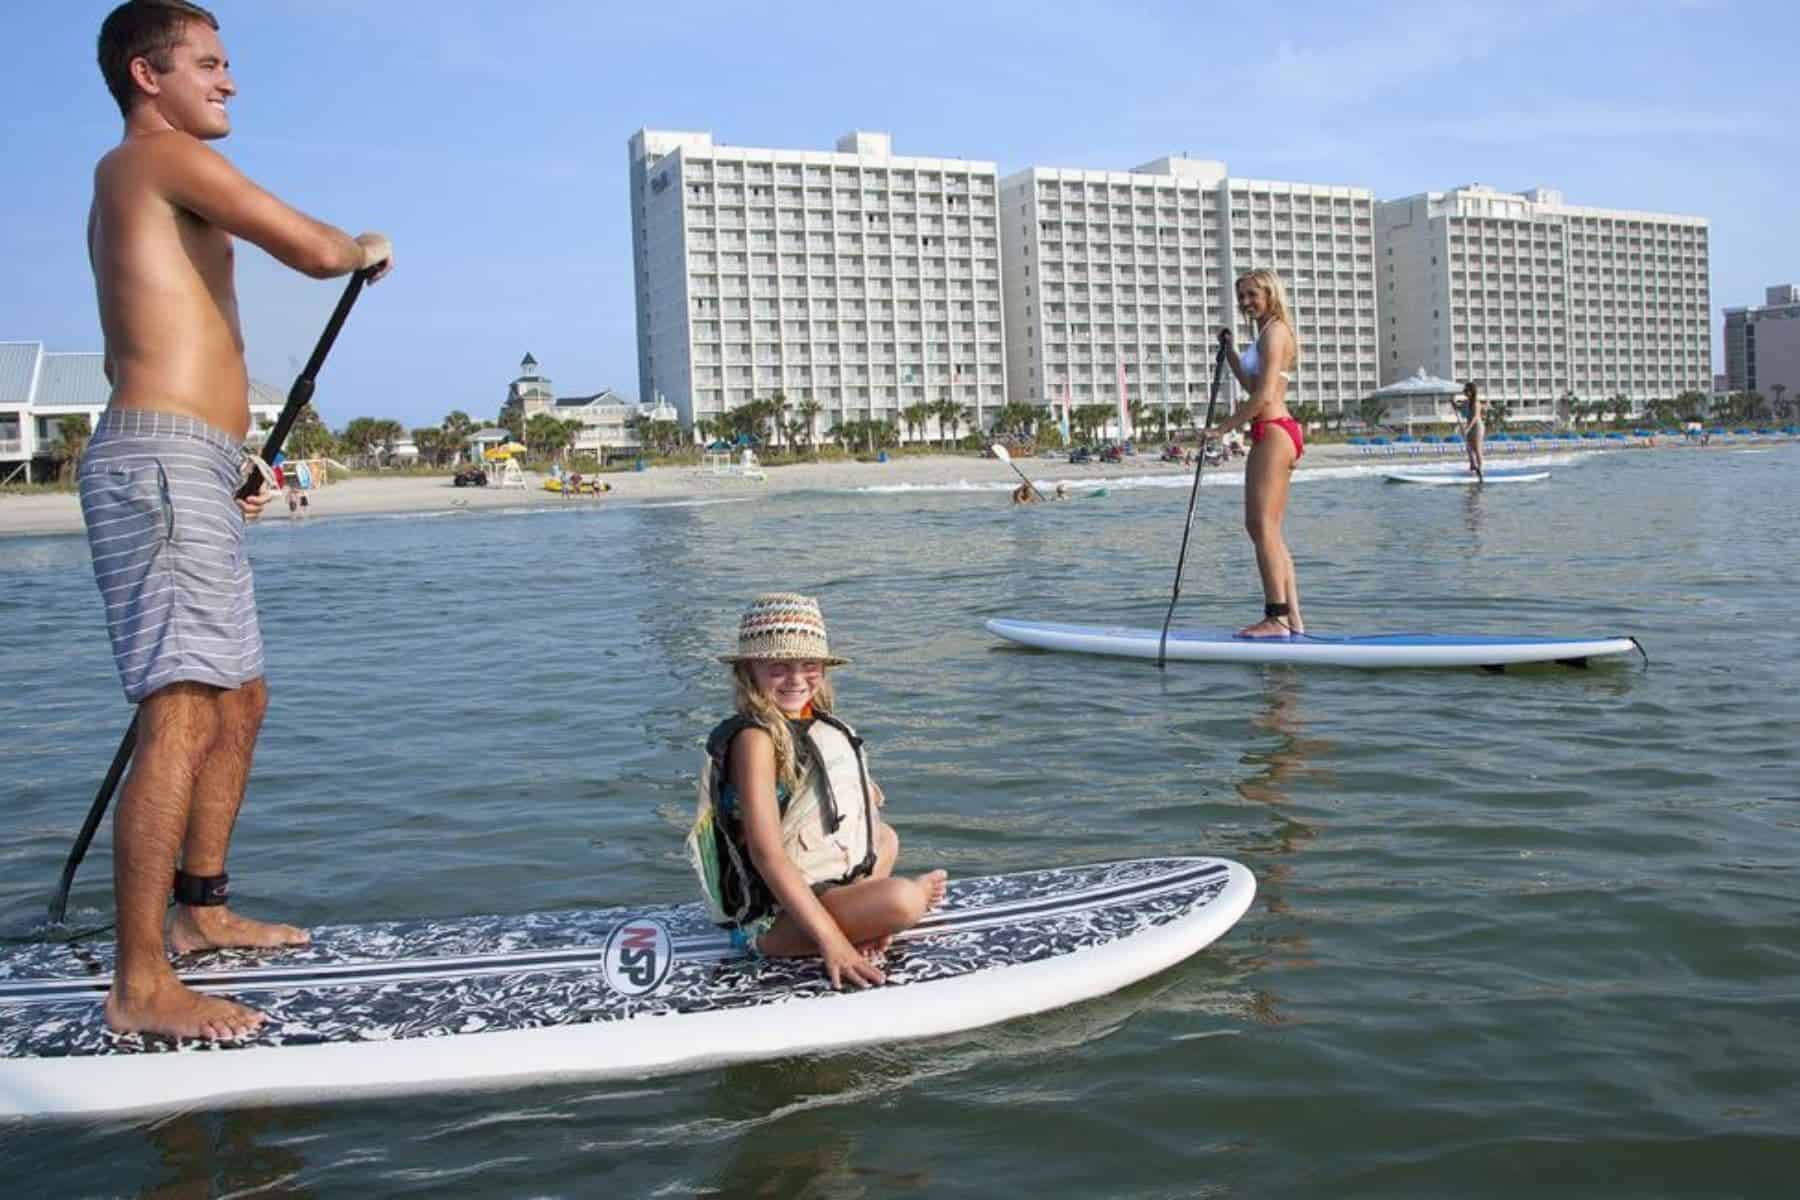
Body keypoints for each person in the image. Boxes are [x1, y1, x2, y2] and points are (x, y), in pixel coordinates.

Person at [80, 0, 391, 1040]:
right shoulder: (152, 158)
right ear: (145, 74)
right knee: (184, 706)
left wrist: (232, 460)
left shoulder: (151, 175)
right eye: (209, 62)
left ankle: (200, 913)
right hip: (159, 458)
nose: (230, 80)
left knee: (238, 698)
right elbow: (307, 248)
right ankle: (140, 982)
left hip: (196, 462)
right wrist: (360, 245)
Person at [686, 593, 947, 989]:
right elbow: (766, 854)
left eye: (809, 666)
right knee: (903, 901)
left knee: (886, 837)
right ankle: (873, 913)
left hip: (825, 883)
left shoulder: (816, 726)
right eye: (779, 668)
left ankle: (866, 911)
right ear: (750, 671)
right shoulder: (754, 740)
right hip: (772, 919)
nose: (796, 679)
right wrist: (836, 945)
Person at [1208, 269, 1304, 638]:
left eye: (1252, 295)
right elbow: (1252, 384)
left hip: (1275, 432)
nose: (1246, 303)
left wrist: (1220, 429)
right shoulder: (1266, 331)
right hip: (1276, 432)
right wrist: (1230, 352)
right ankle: (1292, 620)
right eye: (1242, 296)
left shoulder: (1276, 331)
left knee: (1260, 526)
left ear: (1270, 293)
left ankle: (1275, 617)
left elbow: (1262, 397)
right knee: (1270, 531)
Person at [1459, 381, 1486, 481]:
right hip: (1469, 426)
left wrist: (1468, 428)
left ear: (1471, 391)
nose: (1464, 392)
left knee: (1477, 448)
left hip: (1477, 427)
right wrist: (1455, 405)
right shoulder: (1466, 402)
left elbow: (1475, 417)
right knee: (1469, 447)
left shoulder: (1476, 403)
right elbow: (1460, 409)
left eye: (1466, 390)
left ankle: (1481, 469)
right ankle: (1473, 467)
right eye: (1464, 390)